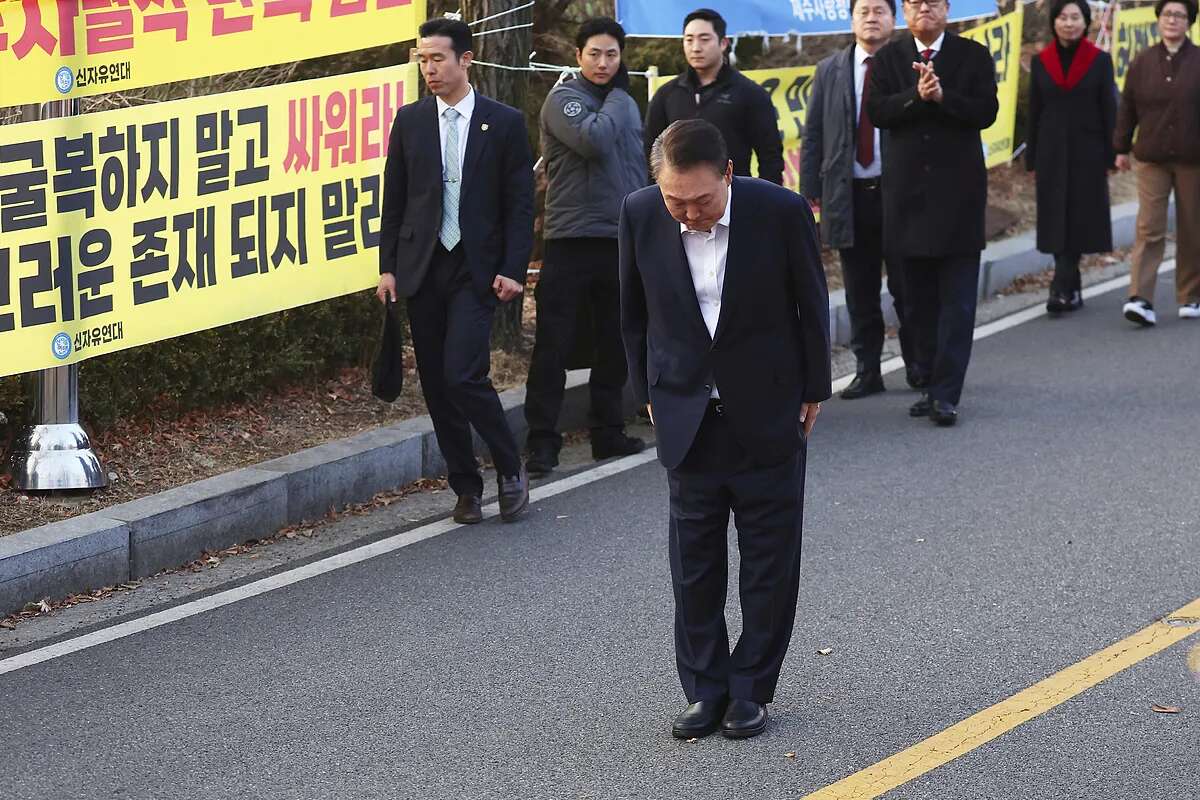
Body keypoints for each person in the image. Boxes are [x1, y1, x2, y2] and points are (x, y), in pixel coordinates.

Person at [619, 120, 831, 740]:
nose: (688, 214)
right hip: (688, 415)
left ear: (729, 175)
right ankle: (704, 689)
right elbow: (632, 314)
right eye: (675, 201)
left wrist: (814, 387)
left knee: (769, 562)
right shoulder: (639, 213)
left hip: (767, 410)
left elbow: (810, 304)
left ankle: (751, 688)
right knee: (694, 565)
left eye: (702, 201)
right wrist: (648, 394)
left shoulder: (781, 210)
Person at [377, 18, 533, 524]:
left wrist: (514, 267)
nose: (429, 69)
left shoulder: (504, 122)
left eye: (438, 58)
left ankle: (511, 468)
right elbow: (394, 200)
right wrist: (388, 269)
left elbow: (519, 204)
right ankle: (466, 486)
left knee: (464, 374)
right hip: (422, 267)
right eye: (422, 59)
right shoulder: (410, 120)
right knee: (438, 386)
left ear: (466, 60)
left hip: (477, 266)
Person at [523, 17, 646, 476]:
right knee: (553, 345)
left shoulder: (627, 104)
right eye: (594, 53)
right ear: (578, 56)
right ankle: (541, 443)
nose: (602, 62)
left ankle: (608, 433)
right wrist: (617, 96)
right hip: (571, 238)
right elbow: (593, 141)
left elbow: (639, 165)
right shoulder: (565, 99)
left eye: (611, 54)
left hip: (619, 237)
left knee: (616, 341)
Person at [866, 0, 998, 426]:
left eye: (933, 3)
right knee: (917, 302)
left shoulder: (972, 55)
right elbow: (878, 112)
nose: (924, 9)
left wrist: (943, 97)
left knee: (957, 304)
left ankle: (946, 394)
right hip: (907, 201)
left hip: (958, 199)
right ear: (905, 12)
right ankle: (926, 380)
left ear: (947, 10)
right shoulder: (888, 58)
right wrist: (915, 97)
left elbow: (986, 111)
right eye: (915, 3)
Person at [802, 0, 923, 398]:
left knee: (908, 286)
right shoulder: (830, 70)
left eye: (880, 10)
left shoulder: (910, 64)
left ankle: (918, 366)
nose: (871, 18)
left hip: (899, 193)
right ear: (851, 19)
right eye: (863, 11)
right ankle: (867, 370)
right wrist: (811, 195)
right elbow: (814, 135)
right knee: (859, 290)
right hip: (849, 195)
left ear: (895, 18)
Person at [1026, 0, 1117, 314]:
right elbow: (1034, 111)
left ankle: (1060, 287)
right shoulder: (1041, 62)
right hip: (1051, 152)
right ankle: (1070, 285)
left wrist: (1113, 153)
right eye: (1063, 17)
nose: (1068, 23)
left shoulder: (1100, 61)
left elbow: (1109, 108)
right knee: (1055, 220)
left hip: (1087, 153)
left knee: (1078, 219)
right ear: (1054, 22)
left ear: (1086, 21)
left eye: (1075, 17)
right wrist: (1032, 157)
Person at [1113, 0, 1200, 326]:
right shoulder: (1142, 61)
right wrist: (1120, 147)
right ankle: (1140, 298)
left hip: (1194, 158)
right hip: (1152, 157)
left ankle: (1190, 295)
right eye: (1167, 14)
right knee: (1149, 228)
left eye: (1180, 15)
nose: (1172, 20)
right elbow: (1128, 106)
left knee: (1193, 228)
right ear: (1158, 20)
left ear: (1189, 22)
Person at [643, 8, 784, 185]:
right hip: (678, 199)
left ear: (723, 43)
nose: (695, 47)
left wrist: (767, 202)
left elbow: (770, 156)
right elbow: (650, 152)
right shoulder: (666, 95)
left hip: (733, 198)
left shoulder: (750, 93)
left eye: (704, 39)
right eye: (689, 40)